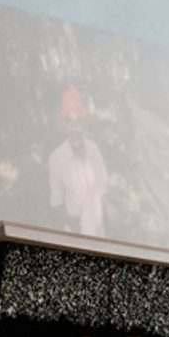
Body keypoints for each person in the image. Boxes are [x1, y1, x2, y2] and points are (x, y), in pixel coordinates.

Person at [47, 86, 108, 236]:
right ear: (64, 124)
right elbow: (56, 203)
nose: (75, 126)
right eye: (69, 120)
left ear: (84, 121)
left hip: (99, 231)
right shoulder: (56, 159)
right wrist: (72, 225)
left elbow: (102, 187)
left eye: (78, 119)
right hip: (75, 234)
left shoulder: (93, 149)